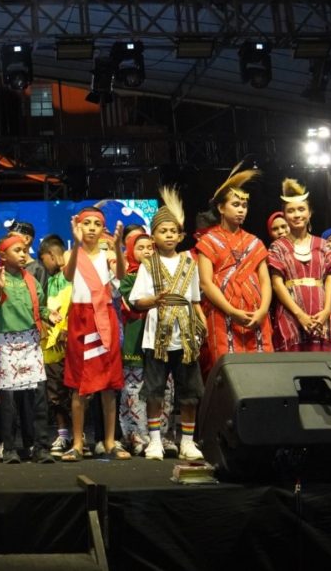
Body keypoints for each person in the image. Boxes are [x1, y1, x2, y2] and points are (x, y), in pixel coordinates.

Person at [129, 187, 207, 461]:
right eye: (163, 231)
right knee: (154, 391)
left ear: (181, 234)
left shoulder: (189, 263)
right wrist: (154, 300)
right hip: (156, 337)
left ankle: (187, 441)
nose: (169, 235)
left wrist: (202, 326)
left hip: (185, 336)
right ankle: (154, 441)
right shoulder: (147, 265)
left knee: (189, 393)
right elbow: (136, 301)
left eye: (173, 231)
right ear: (154, 236)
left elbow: (195, 300)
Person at [57, 208, 129, 462]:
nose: (90, 228)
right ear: (78, 226)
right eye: (85, 223)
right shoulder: (70, 253)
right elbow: (67, 275)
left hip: (104, 319)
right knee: (79, 386)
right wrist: (76, 246)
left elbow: (120, 275)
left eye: (96, 224)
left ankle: (110, 441)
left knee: (109, 385)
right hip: (80, 318)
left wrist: (119, 247)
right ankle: (77, 443)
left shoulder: (109, 254)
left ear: (102, 230)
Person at [196, 164, 273, 374]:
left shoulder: (255, 242)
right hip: (222, 315)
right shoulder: (208, 241)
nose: (241, 210)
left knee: (262, 372)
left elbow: (265, 280)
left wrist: (263, 310)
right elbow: (205, 282)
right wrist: (231, 311)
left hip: (256, 315)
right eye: (236, 204)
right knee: (229, 372)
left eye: (244, 206)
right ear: (221, 208)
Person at [0, 235, 53, 464]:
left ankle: (40, 447)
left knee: (38, 397)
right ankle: (10, 448)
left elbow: (40, 307)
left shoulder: (31, 280)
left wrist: (48, 315)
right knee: (9, 401)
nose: (24, 254)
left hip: (31, 342)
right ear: (3, 255)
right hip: (7, 344)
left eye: (25, 250)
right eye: (17, 250)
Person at [268, 178, 331, 352]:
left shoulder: (323, 245)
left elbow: (329, 281)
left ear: (310, 213)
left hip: (321, 312)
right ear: (284, 215)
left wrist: (327, 310)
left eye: (301, 209)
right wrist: (300, 315)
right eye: (291, 211)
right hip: (291, 314)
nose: (297, 215)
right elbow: (277, 285)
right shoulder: (278, 247)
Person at [118, 230, 156, 456]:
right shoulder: (128, 277)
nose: (146, 252)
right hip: (134, 340)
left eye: (149, 247)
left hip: (159, 340)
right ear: (130, 250)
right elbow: (136, 304)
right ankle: (134, 436)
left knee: (162, 389)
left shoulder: (162, 274)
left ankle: (158, 435)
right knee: (133, 390)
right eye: (139, 248)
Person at [39, 235, 74, 458]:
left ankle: (78, 438)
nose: (43, 264)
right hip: (51, 347)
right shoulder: (49, 281)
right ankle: (63, 435)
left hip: (71, 342)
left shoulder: (72, 276)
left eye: (43, 259)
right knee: (55, 393)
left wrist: (66, 328)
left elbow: (73, 305)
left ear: (52, 255)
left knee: (75, 393)